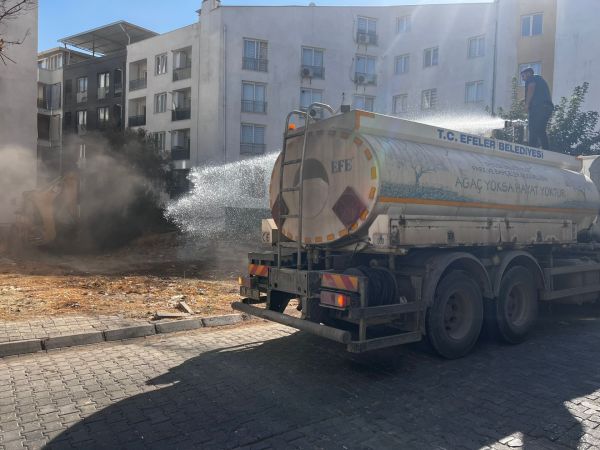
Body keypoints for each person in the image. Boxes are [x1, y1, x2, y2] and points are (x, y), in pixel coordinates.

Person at [521, 67, 554, 150]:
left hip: (538, 107)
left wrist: (527, 104)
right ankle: (546, 150)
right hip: (547, 108)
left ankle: (532, 150)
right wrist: (525, 100)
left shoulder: (532, 78)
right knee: (541, 130)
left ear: (528, 73)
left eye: (523, 76)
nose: (523, 79)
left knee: (532, 128)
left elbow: (531, 87)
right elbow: (537, 93)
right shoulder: (539, 79)